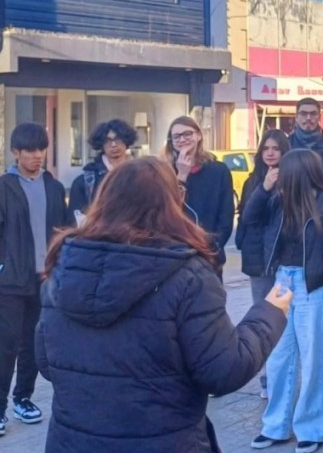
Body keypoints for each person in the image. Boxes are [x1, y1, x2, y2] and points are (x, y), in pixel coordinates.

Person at [35, 157, 292, 452]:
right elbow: (224, 370)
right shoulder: (187, 276)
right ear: (171, 203)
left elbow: (46, 361)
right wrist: (269, 313)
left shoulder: (63, 268)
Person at [244, 149, 323, 452]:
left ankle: (311, 427)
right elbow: (249, 219)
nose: (279, 174)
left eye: (284, 170)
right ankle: (275, 426)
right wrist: (264, 187)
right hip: (283, 282)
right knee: (278, 355)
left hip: (316, 286)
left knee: (313, 359)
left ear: (298, 172)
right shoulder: (277, 201)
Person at [0, 123, 74, 436]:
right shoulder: (4, 186)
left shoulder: (53, 186)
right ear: (15, 152)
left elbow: (66, 229)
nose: (36, 156)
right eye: (29, 150)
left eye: (40, 149)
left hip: (44, 280)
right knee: (6, 343)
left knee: (33, 342)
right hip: (10, 281)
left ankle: (24, 399)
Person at [235, 129, 291, 398]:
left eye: (276, 148)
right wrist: (265, 187)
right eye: (266, 148)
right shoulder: (253, 180)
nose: (270, 153)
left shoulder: (293, 178)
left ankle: (284, 377)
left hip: (285, 259)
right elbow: (248, 217)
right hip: (259, 260)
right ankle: (268, 379)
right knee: (264, 318)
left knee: (287, 321)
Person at [163, 116, 234, 276]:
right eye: (176, 136)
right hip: (174, 254)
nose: (182, 139)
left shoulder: (218, 171)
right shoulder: (163, 171)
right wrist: (181, 175)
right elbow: (166, 210)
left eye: (187, 134)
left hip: (209, 255)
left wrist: (211, 249)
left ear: (198, 136)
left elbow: (225, 218)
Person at [69, 119, 136, 216]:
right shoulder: (85, 181)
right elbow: (74, 219)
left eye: (118, 140)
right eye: (108, 141)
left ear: (126, 141)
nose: (113, 145)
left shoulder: (141, 174)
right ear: (101, 144)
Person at [290, 97, 323, 182]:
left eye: (313, 114)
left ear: (319, 117)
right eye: (303, 114)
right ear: (296, 117)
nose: (308, 118)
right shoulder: (285, 146)